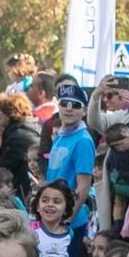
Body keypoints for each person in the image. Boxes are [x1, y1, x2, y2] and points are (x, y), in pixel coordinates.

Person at [41, 83, 96, 232]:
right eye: (64, 103)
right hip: (53, 217)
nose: (69, 108)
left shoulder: (83, 141)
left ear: (84, 111)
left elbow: (83, 186)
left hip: (70, 223)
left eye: (76, 105)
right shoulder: (61, 135)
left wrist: (66, 221)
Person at [0, 91, 39, 195]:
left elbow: (3, 170)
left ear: (7, 115)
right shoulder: (25, 128)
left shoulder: (18, 136)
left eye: (0, 111)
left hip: (23, 189)